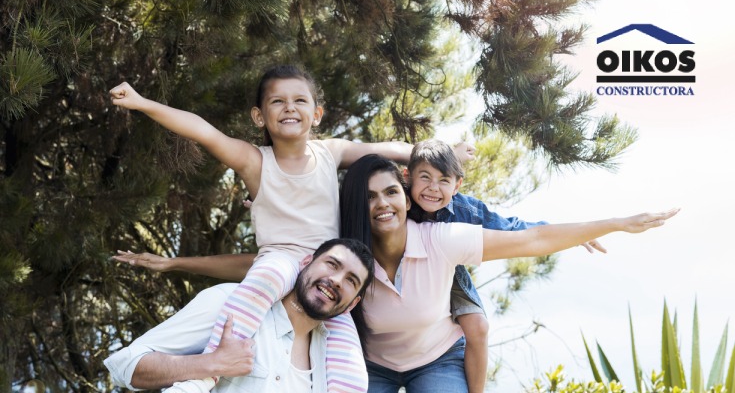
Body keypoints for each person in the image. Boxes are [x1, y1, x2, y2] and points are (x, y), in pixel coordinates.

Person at [109, 64, 472, 393]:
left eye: (300, 100)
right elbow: (204, 132)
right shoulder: (254, 161)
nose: (289, 107)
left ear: (316, 114)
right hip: (280, 261)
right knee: (258, 288)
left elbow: (383, 148)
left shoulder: (330, 153)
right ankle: (210, 371)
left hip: (326, 265)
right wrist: (143, 103)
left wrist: (438, 156)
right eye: (277, 101)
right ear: (258, 116)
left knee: (351, 360)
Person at [338, 154, 678, 393]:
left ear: (407, 199)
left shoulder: (441, 239)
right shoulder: (344, 260)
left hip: (436, 360)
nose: (383, 203)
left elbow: (530, 238)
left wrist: (617, 224)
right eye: (369, 197)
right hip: (371, 365)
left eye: (391, 192)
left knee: (477, 325)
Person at [403, 139, 606, 393]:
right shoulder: (396, 198)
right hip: (406, 267)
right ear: (409, 178)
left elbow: (513, 228)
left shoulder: (465, 209)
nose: (433, 189)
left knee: (478, 325)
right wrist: (452, 154)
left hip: (447, 267)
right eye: (425, 178)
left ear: (457, 186)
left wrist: (571, 235)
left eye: (444, 181)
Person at [105, 238, 375, 392]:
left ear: (352, 304)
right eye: (331, 264)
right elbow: (126, 366)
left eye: (351, 281)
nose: (337, 280)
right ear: (305, 263)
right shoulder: (228, 303)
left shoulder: (331, 363)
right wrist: (212, 363)